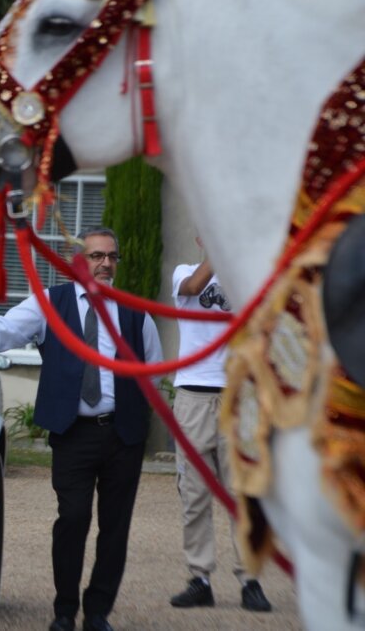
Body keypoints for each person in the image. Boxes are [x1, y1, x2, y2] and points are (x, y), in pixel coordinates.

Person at [0, 227, 162, 631]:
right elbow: (0, 331)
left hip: (122, 436)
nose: (105, 264)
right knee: (72, 519)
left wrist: (137, 419)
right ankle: (64, 611)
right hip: (73, 434)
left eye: (111, 257)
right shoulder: (51, 304)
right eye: (96, 256)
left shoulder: (136, 312)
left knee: (115, 528)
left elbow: (151, 372)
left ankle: (98, 612)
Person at [168, 241, 271, 612]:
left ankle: (250, 580)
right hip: (194, 395)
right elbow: (195, 287)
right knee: (194, 494)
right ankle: (200, 578)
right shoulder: (183, 272)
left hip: (239, 397)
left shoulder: (248, 278)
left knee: (243, 496)